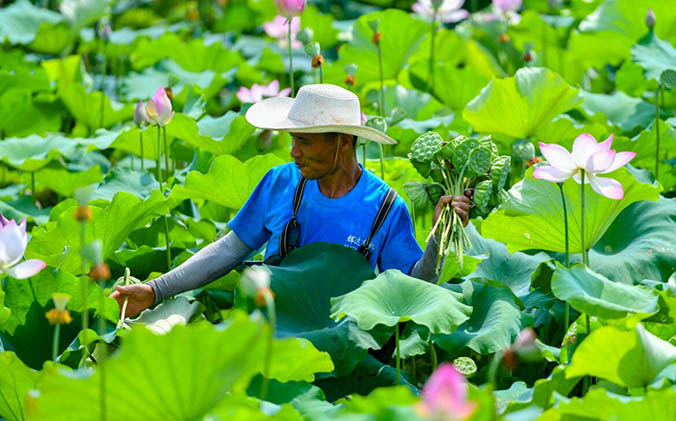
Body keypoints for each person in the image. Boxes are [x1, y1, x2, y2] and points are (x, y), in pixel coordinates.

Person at [111, 84, 472, 318]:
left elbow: (417, 288)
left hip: (348, 347)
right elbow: (227, 251)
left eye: (306, 141)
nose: (294, 151)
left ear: (343, 141)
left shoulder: (385, 207)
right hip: (269, 330)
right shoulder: (281, 181)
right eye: (293, 139)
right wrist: (155, 290)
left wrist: (440, 238)